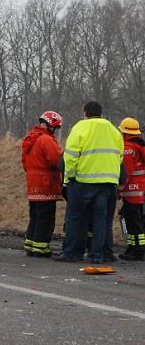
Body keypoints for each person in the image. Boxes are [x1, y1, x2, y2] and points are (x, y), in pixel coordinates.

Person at [58, 101, 124, 263]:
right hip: (108, 183)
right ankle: (98, 255)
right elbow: (120, 156)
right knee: (101, 220)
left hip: (83, 182)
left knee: (76, 218)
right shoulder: (114, 130)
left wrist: (68, 179)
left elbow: (71, 156)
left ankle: (73, 253)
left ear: (85, 113)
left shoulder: (81, 127)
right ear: (101, 113)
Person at [21, 111, 63, 257]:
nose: (56, 131)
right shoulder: (46, 140)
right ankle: (41, 248)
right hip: (46, 185)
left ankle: (30, 244)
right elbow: (57, 160)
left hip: (33, 185)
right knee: (46, 218)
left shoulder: (30, 138)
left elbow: (25, 163)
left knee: (35, 216)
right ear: (50, 125)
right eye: (55, 128)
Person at [118, 118, 145, 261]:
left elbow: (125, 173)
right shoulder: (140, 144)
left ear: (125, 133)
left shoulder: (128, 148)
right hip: (140, 190)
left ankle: (137, 251)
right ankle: (135, 248)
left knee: (133, 222)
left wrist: (118, 190)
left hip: (131, 191)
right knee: (138, 220)